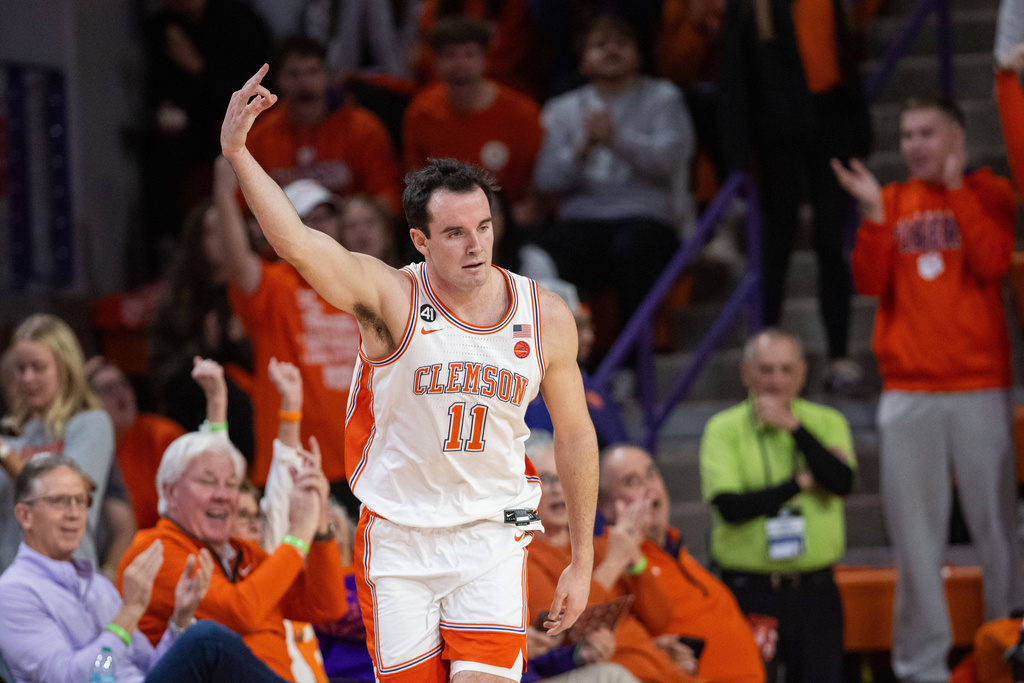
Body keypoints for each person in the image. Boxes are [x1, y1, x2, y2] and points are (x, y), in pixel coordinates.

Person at [221, 63, 600, 682]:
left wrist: (581, 559)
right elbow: (296, 242)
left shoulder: (546, 315)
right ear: (420, 242)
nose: (476, 244)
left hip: (494, 528)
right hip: (399, 536)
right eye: (454, 233)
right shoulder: (391, 298)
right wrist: (238, 154)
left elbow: (577, 434)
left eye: (483, 227)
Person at [833, 97, 1024, 683]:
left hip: (978, 385)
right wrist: (869, 214)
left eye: (926, 133)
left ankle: (1009, 645)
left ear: (956, 139)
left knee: (998, 531)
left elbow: (993, 264)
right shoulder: (889, 202)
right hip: (907, 391)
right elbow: (867, 282)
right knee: (916, 538)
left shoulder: (990, 192)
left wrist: (958, 190)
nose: (913, 144)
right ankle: (920, 666)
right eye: (907, 134)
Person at [0, 455, 291, 683]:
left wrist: (180, 619)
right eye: (59, 501)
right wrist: (128, 614)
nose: (74, 514)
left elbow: (150, 668)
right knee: (206, 640)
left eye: (80, 501)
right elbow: (77, 679)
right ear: (24, 515)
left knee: (201, 638)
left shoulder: (98, 586)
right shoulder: (13, 593)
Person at [718, 0, 872, 392]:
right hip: (779, 134)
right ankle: (764, 358)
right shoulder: (751, 8)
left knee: (830, 242)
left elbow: (844, 58)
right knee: (776, 245)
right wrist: (736, 156)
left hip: (833, 122)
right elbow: (735, 78)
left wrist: (860, 125)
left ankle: (839, 356)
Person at [698, 330, 855, 683]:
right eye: (766, 370)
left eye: (786, 370)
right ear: (746, 373)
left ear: (801, 373)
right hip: (750, 591)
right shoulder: (722, 430)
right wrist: (799, 484)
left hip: (815, 592)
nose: (776, 380)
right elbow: (731, 507)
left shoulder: (828, 422)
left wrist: (794, 427)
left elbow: (841, 482)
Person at [213, 155, 363, 517]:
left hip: (364, 466)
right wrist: (222, 190)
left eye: (328, 215)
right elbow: (236, 261)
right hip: (294, 470)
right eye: (310, 217)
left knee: (358, 575)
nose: (322, 224)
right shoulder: (274, 286)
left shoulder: (360, 280)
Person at [533, 15, 693, 332]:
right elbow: (546, 178)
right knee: (542, 251)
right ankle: (571, 362)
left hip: (646, 217)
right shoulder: (562, 109)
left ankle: (632, 366)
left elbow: (672, 160)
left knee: (631, 250)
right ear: (582, 61)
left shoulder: (664, 98)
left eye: (621, 43)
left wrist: (616, 141)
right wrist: (583, 149)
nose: (611, 51)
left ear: (639, 55)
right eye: (599, 45)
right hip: (581, 220)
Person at [526, 431, 689, 683]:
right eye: (546, 479)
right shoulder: (525, 556)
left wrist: (634, 561)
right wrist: (614, 562)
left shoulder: (600, 546)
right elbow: (561, 627)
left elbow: (660, 620)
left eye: (564, 476)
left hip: (663, 672)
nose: (559, 489)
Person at [598, 444, 766, 683]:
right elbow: (611, 645)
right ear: (605, 505)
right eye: (631, 482)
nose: (649, 488)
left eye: (651, 474)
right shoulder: (608, 559)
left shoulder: (676, 550)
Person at [0, 314, 115, 572]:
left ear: (65, 368)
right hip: (10, 580)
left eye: (38, 368)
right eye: (20, 369)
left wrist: (4, 453)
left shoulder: (91, 423)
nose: (27, 378)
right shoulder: (10, 431)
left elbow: (62, 494)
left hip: (69, 576)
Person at [403, 16, 544, 223]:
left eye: (469, 55)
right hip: (444, 224)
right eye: (449, 55)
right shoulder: (421, 112)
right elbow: (416, 186)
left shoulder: (522, 113)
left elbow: (535, 194)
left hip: (507, 224)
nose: (459, 65)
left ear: (485, 60)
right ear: (436, 63)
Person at [245, 36, 402, 213]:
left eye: (312, 72)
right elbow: (241, 206)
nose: (303, 82)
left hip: (345, 236)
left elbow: (388, 201)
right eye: (293, 74)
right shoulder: (259, 136)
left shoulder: (362, 129)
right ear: (278, 81)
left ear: (327, 77)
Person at [86, 357, 187, 531]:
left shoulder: (162, 436)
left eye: (123, 384)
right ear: (89, 401)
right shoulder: (88, 446)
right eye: (108, 389)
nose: (120, 393)